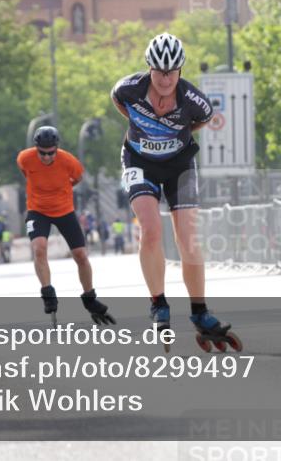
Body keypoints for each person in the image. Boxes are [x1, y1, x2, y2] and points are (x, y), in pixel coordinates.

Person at [110, 32, 238, 346]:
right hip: (139, 161)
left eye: (171, 71)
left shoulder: (195, 101)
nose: (165, 78)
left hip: (180, 164)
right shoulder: (127, 89)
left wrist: (174, 135)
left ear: (180, 70)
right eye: (159, 71)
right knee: (151, 230)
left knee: (188, 238)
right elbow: (119, 104)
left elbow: (203, 120)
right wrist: (145, 132)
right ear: (149, 68)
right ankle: (158, 305)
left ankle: (199, 311)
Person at [17, 126, 115, 324]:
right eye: (42, 153)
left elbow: (78, 178)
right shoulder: (25, 158)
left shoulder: (68, 161)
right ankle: (47, 293)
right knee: (39, 249)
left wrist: (63, 190)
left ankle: (90, 299)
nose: (46, 157)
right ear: (36, 149)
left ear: (56, 148)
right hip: (37, 210)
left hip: (64, 210)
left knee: (80, 255)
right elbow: (26, 173)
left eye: (50, 152)